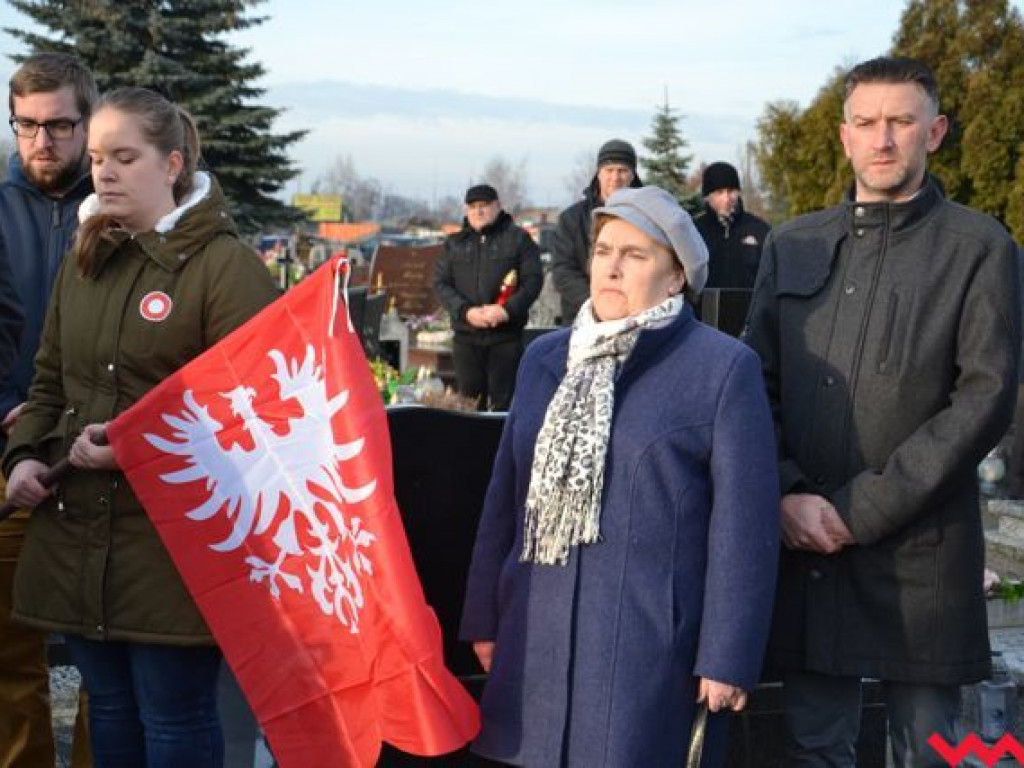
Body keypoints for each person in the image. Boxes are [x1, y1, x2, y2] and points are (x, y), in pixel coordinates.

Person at [744, 56, 1021, 768]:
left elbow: (985, 398)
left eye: (902, 121)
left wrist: (859, 510)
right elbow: (752, 382)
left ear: (936, 131)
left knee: (927, 751)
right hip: (808, 552)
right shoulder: (794, 241)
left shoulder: (979, 247)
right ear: (845, 136)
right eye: (867, 123)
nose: (884, 139)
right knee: (813, 746)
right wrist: (788, 493)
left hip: (919, 557)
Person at [2, 86, 280, 768]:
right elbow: (48, 383)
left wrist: (136, 449)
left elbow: (260, 409)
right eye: (98, 158)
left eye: (126, 156)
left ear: (173, 164)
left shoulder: (225, 268)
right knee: (114, 716)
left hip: (177, 544)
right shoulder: (87, 258)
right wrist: (25, 456)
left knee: (174, 719)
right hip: (80, 535)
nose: (105, 172)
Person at [460, 185, 780, 767]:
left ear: (676, 276)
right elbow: (504, 497)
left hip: (646, 649)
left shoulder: (720, 370)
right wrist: (484, 612)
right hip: (537, 634)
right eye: (604, 249)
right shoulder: (544, 360)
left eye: (636, 255)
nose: (612, 266)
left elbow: (744, 528)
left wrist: (727, 656)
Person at [1, 51, 94, 768]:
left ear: (86, 121)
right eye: (26, 126)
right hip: (5, 447)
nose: (42, 143)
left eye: (59, 125)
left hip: (96, 456)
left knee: (103, 654)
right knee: (11, 653)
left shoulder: (120, 197)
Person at [434, 183, 543, 411]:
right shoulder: (454, 244)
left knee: (504, 407)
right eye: (472, 207)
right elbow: (441, 284)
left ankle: (500, 446)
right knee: (469, 406)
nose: (478, 212)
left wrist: (507, 310)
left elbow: (533, 280)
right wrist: (466, 312)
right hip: (466, 339)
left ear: (498, 206)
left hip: (505, 339)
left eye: (484, 206)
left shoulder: (518, 239)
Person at [550, 138, 642, 325]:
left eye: (622, 171)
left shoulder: (647, 218)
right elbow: (562, 271)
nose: (615, 178)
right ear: (598, 174)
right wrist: (598, 304)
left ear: (633, 175)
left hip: (635, 317)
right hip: (582, 319)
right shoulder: (572, 219)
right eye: (609, 170)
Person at [694, 161, 770, 290]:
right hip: (705, 307)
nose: (727, 198)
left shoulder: (759, 229)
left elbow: (770, 276)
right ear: (707, 196)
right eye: (719, 192)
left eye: (731, 191)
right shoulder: (695, 231)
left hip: (749, 307)